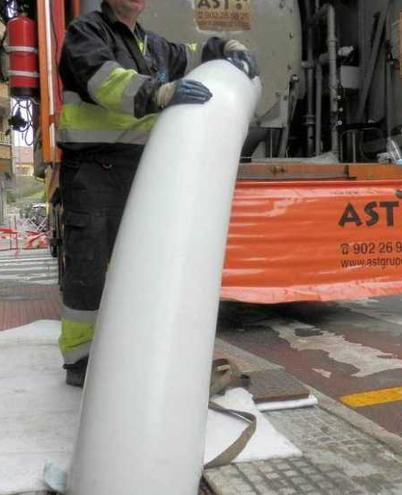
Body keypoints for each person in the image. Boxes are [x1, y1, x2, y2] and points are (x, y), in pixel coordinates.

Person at [56, 0, 257, 386]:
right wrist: (160, 93)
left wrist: (229, 48)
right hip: (93, 169)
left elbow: (195, 54)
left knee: (142, 265)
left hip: (141, 168)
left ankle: (131, 347)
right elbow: (104, 82)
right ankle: (80, 359)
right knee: (90, 266)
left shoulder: (152, 45)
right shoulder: (87, 33)